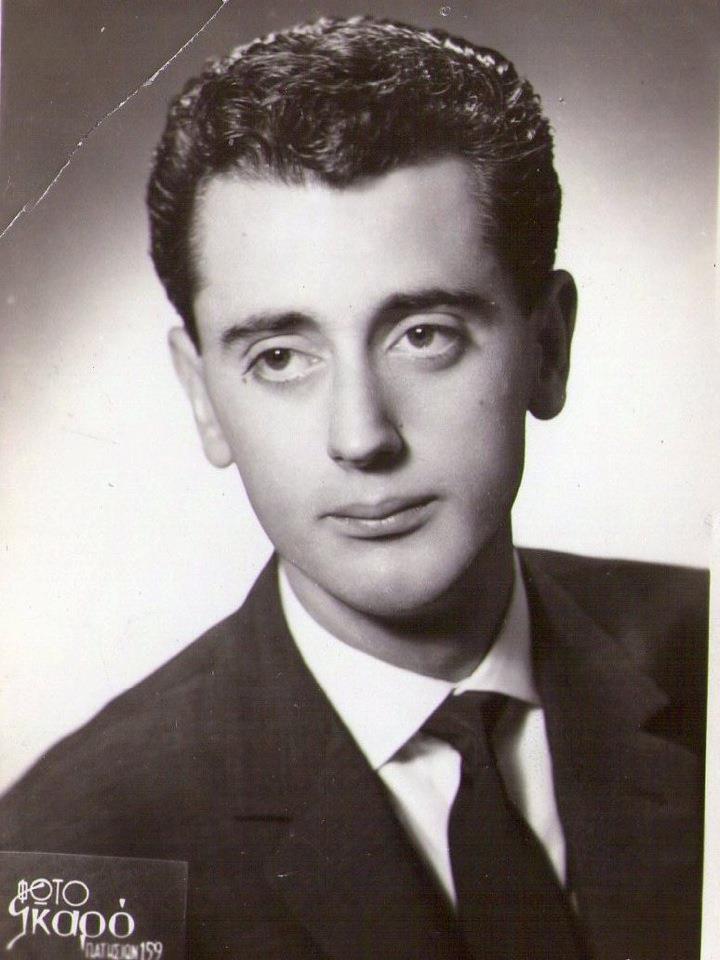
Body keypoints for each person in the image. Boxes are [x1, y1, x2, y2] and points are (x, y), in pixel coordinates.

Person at [0, 15, 707, 960]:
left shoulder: (703, 653)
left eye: (424, 335)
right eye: (280, 356)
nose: (362, 437)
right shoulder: (76, 848)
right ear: (204, 397)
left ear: (548, 347)